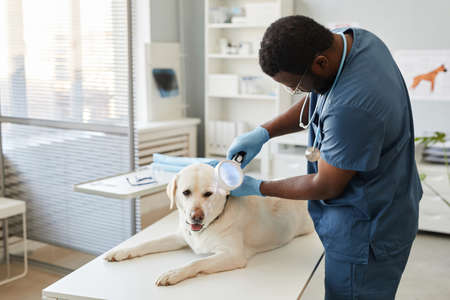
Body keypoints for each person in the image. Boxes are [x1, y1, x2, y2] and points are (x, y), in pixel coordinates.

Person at [226, 15, 423, 300]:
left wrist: (259, 188)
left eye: (294, 86)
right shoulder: (352, 40)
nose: (295, 93)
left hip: (367, 231)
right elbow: (319, 96)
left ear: (320, 63)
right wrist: (263, 132)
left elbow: (326, 185)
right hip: (388, 200)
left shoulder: (353, 107)